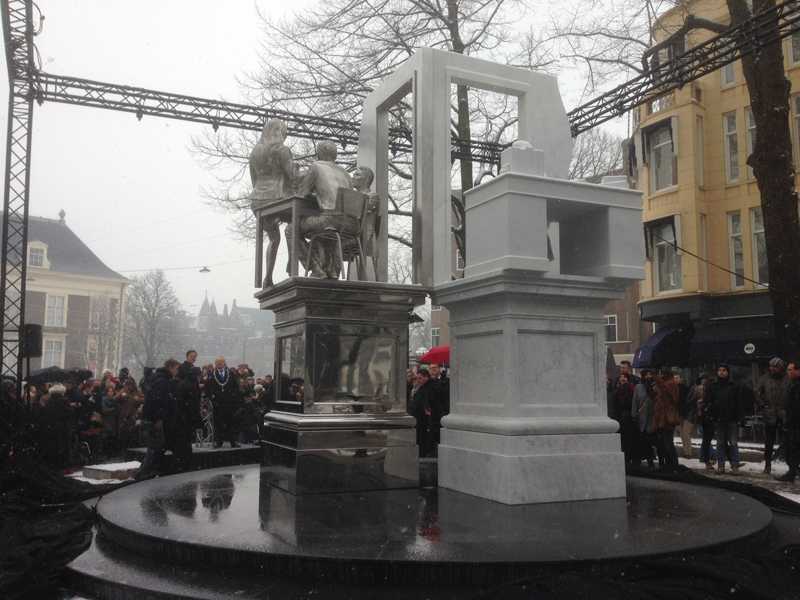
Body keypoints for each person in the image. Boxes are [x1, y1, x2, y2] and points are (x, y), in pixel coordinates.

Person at [250, 118, 295, 287]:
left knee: (274, 238)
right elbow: (292, 176)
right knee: (296, 223)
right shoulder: (282, 150)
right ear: (279, 132)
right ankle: (292, 265)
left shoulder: (255, 152)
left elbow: (254, 180)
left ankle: (267, 277)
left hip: (257, 201)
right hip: (277, 197)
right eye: (283, 133)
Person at [135, 358, 180, 480]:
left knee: (155, 447)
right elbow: (159, 401)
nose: (177, 371)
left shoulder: (158, 379)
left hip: (152, 417)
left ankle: (147, 471)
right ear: (170, 367)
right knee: (155, 447)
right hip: (155, 419)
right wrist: (159, 418)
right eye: (176, 368)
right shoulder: (162, 381)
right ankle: (143, 473)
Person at [706, 364, 745, 474]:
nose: (721, 372)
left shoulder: (734, 386)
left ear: (728, 372)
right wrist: (710, 414)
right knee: (720, 443)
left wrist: (740, 417)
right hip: (718, 418)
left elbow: (738, 402)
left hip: (731, 418)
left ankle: (734, 466)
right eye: (719, 370)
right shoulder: (713, 386)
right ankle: (721, 466)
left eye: (724, 370)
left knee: (733, 443)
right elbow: (709, 402)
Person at [756, 356, 790, 474]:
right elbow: (757, 393)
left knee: (788, 441)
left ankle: (792, 466)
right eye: (771, 366)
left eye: (775, 367)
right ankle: (767, 464)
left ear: (781, 368)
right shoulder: (764, 378)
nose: (772, 369)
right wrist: (763, 405)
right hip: (770, 413)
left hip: (784, 414)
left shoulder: (787, 378)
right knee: (769, 442)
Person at [171, 362, 202, 472]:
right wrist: (197, 420)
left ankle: (181, 464)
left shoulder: (183, 383)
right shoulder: (192, 386)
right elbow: (193, 405)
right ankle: (185, 465)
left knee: (182, 443)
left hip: (181, 418)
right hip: (186, 418)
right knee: (186, 442)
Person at [206, 357, 242, 448]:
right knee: (218, 424)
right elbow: (208, 388)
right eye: (217, 363)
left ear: (224, 363)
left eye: (221, 362)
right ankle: (219, 442)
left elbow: (236, 387)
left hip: (229, 403)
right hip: (218, 403)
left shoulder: (231, 373)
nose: (219, 364)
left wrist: (234, 397)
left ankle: (233, 442)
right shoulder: (211, 374)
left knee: (231, 423)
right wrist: (212, 398)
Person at [408, 368, 441, 458]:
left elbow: (428, 402)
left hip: (424, 420)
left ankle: (423, 456)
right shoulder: (423, 386)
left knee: (423, 440)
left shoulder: (429, 387)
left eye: (420, 378)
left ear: (426, 377)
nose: (418, 380)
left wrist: (427, 409)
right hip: (420, 419)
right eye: (417, 378)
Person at [776, 360, 800, 483]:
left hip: (796, 422)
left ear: (797, 370)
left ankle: (792, 473)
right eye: (788, 370)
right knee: (792, 449)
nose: (788, 372)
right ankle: (792, 471)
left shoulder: (796, 385)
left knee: (794, 448)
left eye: (791, 370)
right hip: (792, 422)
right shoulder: (791, 384)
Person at [631, 369, 657, 469]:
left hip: (652, 418)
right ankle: (639, 461)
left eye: (650, 374)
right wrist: (634, 415)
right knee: (641, 441)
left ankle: (651, 461)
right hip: (641, 418)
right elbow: (635, 401)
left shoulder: (655, 387)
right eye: (646, 375)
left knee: (651, 442)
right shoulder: (638, 387)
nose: (648, 377)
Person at [690, 374, 715, 470]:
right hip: (703, 416)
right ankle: (707, 458)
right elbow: (693, 401)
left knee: (706, 439)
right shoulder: (701, 389)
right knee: (707, 439)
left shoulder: (700, 389)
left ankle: (705, 458)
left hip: (702, 416)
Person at [612, 373, 636, 466]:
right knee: (625, 439)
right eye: (621, 377)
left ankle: (627, 458)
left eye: (624, 377)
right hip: (622, 417)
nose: (622, 379)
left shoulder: (629, 388)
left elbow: (625, 403)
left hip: (626, 417)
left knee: (626, 439)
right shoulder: (619, 389)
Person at [674, 372, 694, 458]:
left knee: (686, 433)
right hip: (678, 414)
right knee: (682, 434)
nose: (675, 379)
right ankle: (686, 451)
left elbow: (687, 402)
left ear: (681, 379)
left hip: (686, 414)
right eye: (674, 378)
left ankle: (688, 452)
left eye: (677, 378)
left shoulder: (685, 389)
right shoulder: (673, 389)